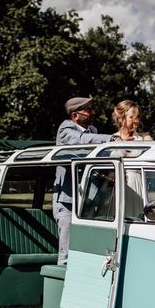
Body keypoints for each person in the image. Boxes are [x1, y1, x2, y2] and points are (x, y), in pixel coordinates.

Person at [54, 97, 111, 265]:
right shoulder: (65, 129)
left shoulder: (93, 129)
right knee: (66, 252)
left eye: (91, 109)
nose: (91, 113)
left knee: (87, 249)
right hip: (67, 202)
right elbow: (82, 140)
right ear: (75, 115)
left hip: (88, 200)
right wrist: (112, 139)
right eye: (86, 110)